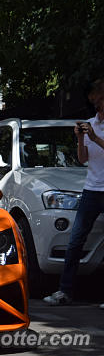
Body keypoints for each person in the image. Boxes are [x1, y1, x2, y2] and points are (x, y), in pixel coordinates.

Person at [43, 80, 104, 308]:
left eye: (100, 100)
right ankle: (65, 291)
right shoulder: (90, 123)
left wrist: (95, 137)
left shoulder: (96, 129)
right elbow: (82, 159)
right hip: (91, 190)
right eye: (94, 101)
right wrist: (80, 138)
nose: (97, 105)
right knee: (75, 240)